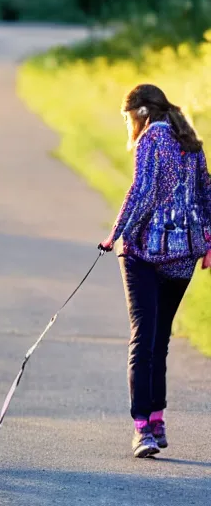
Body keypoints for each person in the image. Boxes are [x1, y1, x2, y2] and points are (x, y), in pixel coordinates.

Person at [98, 84, 211, 458]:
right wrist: (208, 241)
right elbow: (205, 195)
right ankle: (157, 420)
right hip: (183, 257)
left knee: (141, 341)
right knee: (159, 340)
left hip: (145, 254)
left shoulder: (152, 140)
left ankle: (142, 429)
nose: (129, 125)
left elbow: (143, 192)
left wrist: (116, 234)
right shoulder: (189, 140)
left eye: (129, 117)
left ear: (142, 113)